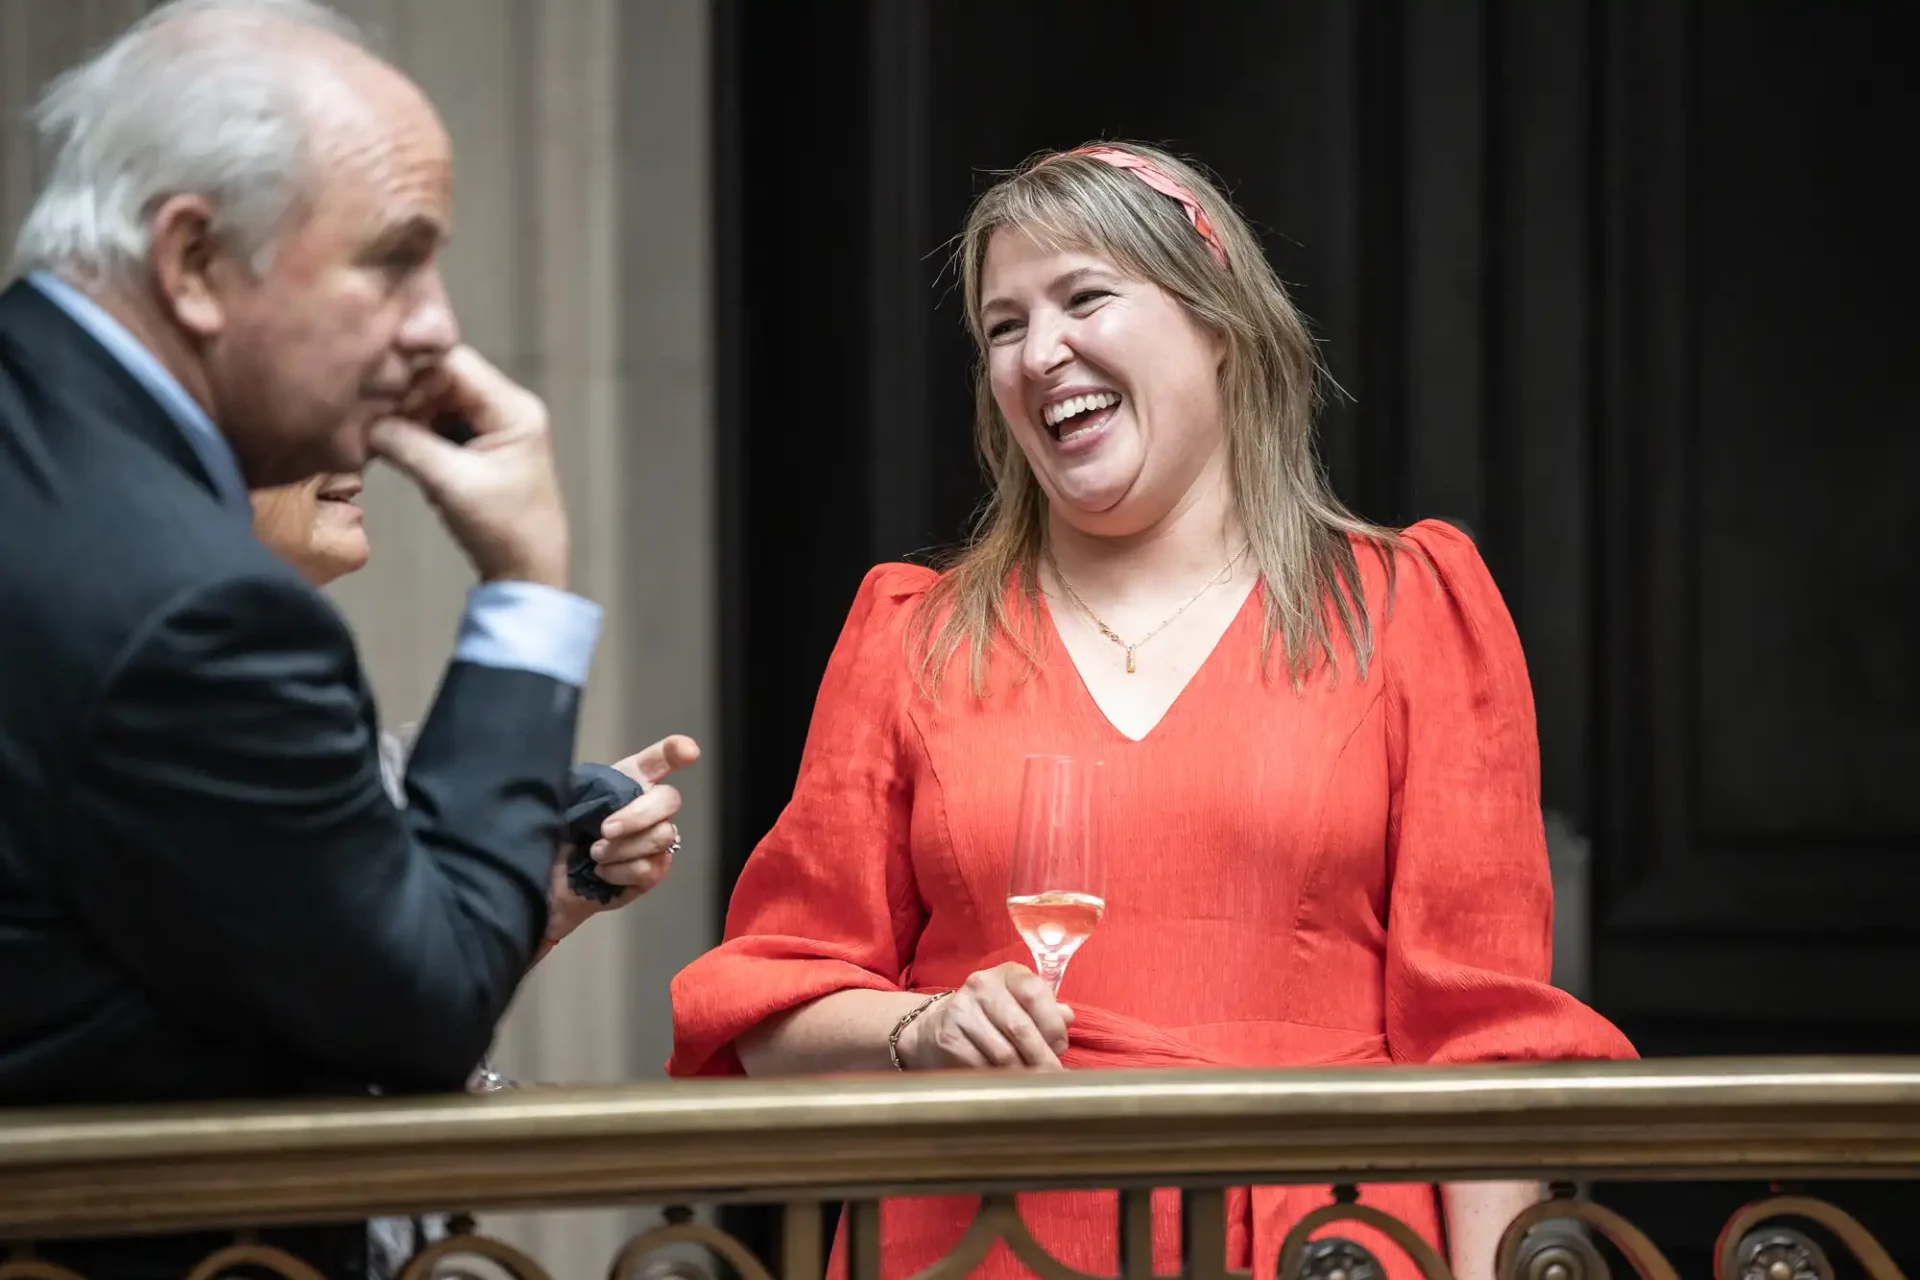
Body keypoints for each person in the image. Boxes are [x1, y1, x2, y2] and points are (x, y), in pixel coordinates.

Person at [668, 143, 1637, 1280]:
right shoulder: (912, 635)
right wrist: (914, 1030)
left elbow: (1482, 1046)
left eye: (1084, 297)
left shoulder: (1408, 609)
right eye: (1002, 326)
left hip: (1321, 1245)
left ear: (1218, 320)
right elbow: (770, 1004)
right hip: (978, 1244)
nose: (1041, 353)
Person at [0, 0, 627, 1273]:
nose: (436, 323)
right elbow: (420, 1005)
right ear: (192, 262)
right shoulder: (200, 609)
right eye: (394, 259)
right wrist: (528, 589)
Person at [250, 472, 699, 1280]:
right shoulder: (161, 686)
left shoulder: (295, 681)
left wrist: (546, 901)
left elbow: (402, 988)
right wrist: (526, 577)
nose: (355, 457)